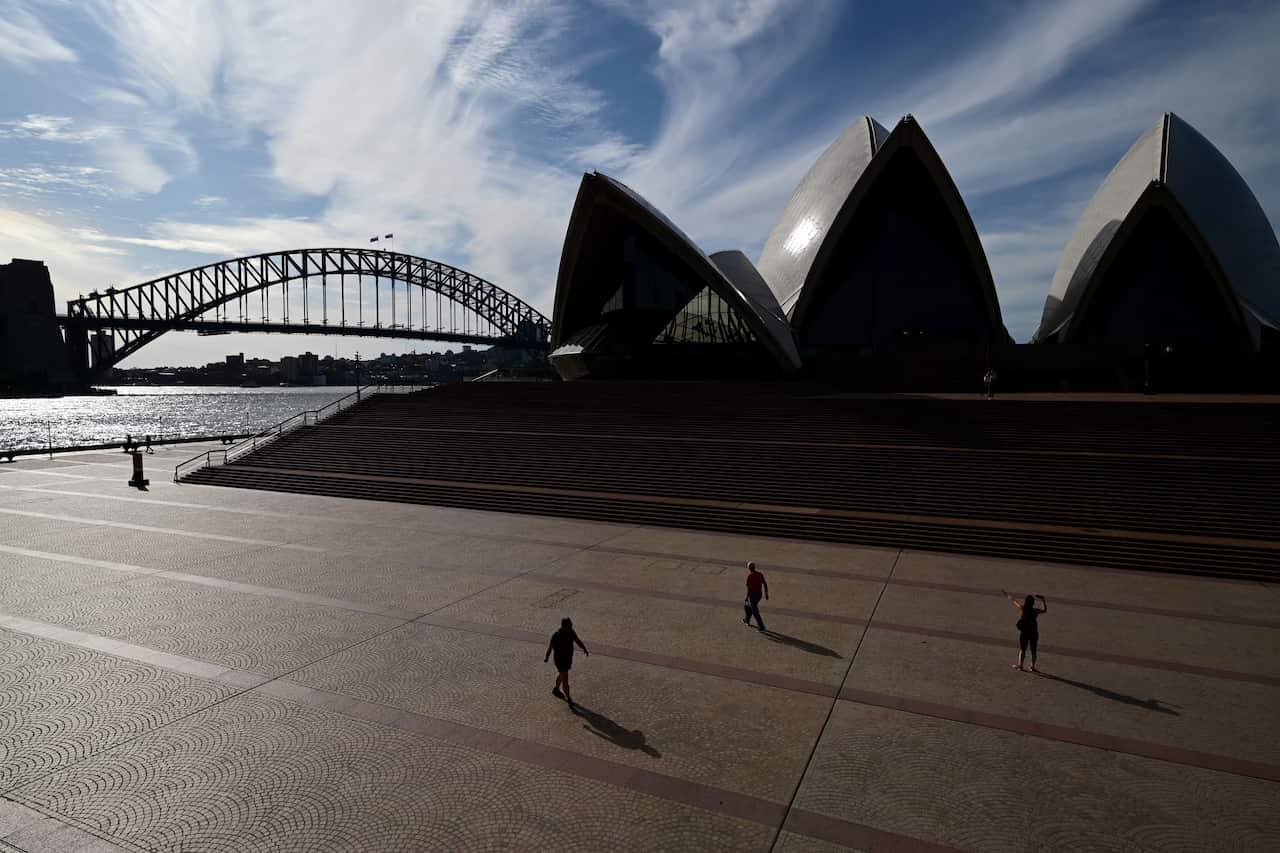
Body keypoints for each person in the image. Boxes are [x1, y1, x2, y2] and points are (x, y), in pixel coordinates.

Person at [545, 617, 589, 709]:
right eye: (570, 624)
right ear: (566, 625)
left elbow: (577, 641)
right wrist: (547, 657)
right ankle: (569, 698)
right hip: (560, 660)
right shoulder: (556, 635)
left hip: (567, 659)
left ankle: (556, 689)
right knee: (565, 679)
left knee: (561, 674)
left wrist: (584, 648)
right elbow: (550, 648)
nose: (572, 625)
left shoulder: (571, 632)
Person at [1003, 590, 1047, 671]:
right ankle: (1032, 667)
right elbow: (1044, 610)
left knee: (1023, 649)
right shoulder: (1035, 611)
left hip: (1025, 632)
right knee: (1034, 650)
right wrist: (1043, 600)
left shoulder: (1023, 608)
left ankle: (1020, 666)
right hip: (1034, 632)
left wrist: (1008, 596)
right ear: (1033, 603)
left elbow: (1014, 601)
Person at [743, 561, 769, 632]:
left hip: (752, 596)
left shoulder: (750, 576)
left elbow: (749, 589)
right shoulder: (760, 574)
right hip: (759, 595)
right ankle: (746, 619)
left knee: (755, 611)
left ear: (749, 568)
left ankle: (761, 626)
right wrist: (766, 594)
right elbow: (765, 584)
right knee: (749, 607)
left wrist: (746, 597)